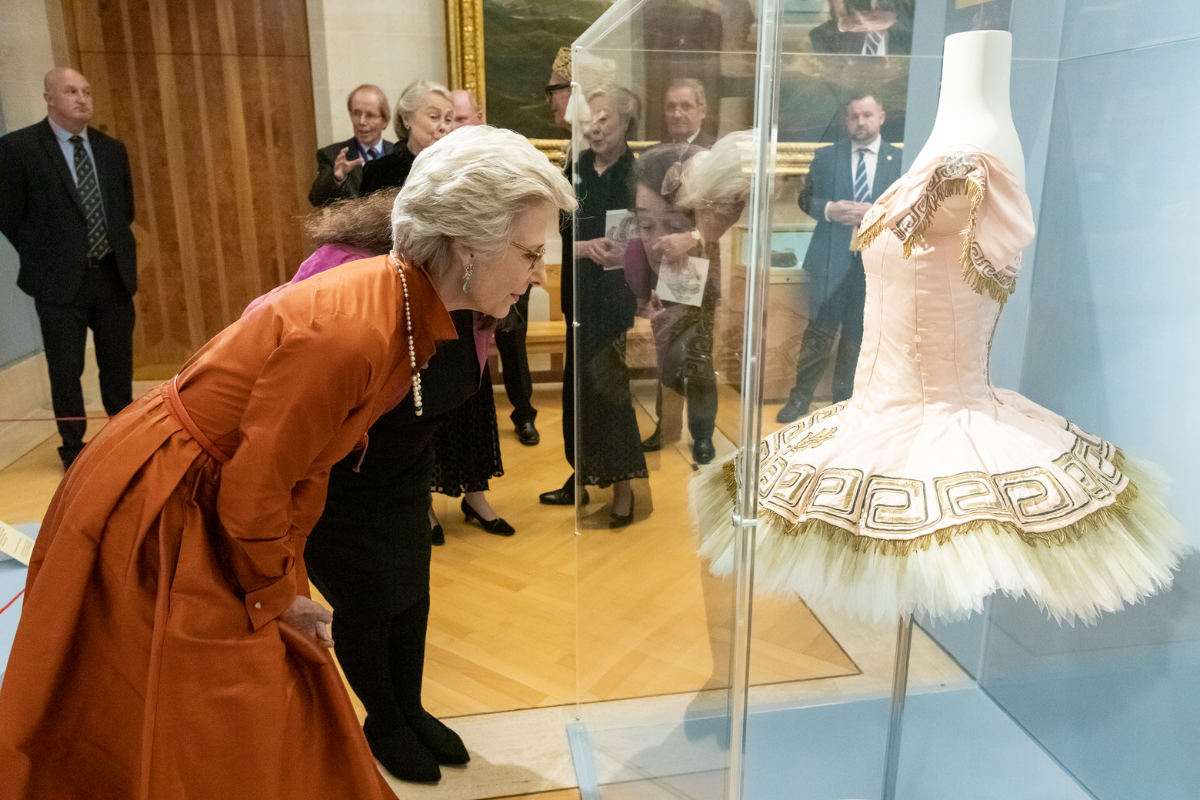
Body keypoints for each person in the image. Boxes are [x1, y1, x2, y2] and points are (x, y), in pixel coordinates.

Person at [0, 125, 575, 799]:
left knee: (246, 701)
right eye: (531, 253)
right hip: (171, 494)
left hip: (215, 488)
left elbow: (298, 470)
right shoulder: (359, 325)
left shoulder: (405, 308)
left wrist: (284, 583)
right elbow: (255, 487)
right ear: (467, 248)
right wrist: (279, 596)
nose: (539, 273)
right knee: (196, 701)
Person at [0, 67, 137, 471]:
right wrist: (46, 254)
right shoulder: (18, 148)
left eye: (87, 90)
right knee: (66, 369)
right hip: (58, 282)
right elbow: (9, 214)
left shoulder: (111, 149)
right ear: (49, 98)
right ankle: (74, 449)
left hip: (111, 274)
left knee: (117, 364)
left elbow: (124, 210)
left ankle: (124, 437)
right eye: (72, 91)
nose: (82, 98)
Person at [540, 86, 647, 528]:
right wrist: (584, 249)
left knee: (609, 392)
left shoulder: (634, 173)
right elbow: (560, 231)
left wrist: (626, 255)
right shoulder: (575, 166)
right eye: (593, 118)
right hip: (578, 294)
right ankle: (580, 475)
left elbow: (645, 238)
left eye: (607, 119)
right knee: (576, 392)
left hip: (613, 298)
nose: (596, 126)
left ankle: (624, 488)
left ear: (625, 125)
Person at [776, 93, 903, 424]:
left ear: (881, 117)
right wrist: (830, 210)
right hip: (828, 261)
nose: (860, 122)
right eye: (853, 116)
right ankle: (799, 399)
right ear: (846, 120)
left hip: (874, 264)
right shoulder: (826, 157)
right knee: (818, 333)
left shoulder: (900, 161)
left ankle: (843, 405)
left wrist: (878, 213)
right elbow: (806, 199)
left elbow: (909, 209)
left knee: (857, 336)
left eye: (867, 115)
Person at [450, 87, 539, 445]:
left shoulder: (505, 155)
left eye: (459, 118)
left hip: (509, 268)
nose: (453, 126)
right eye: (448, 119)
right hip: (463, 274)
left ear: (478, 116)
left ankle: (524, 415)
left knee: (512, 343)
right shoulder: (443, 162)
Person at [360, 80, 454, 196]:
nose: (443, 127)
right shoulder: (379, 171)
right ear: (406, 119)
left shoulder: (456, 169)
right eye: (434, 116)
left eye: (448, 119)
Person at [308, 83, 393, 207]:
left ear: (385, 121)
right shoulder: (332, 155)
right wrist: (338, 179)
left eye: (369, 115)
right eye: (356, 113)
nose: (361, 122)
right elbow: (316, 199)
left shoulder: (399, 153)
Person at [664, 79, 715, 147]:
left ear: (703, 111)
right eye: (671, 107)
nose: (677, 115)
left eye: (686, 106)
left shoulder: (717, 149)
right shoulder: (655, 152)